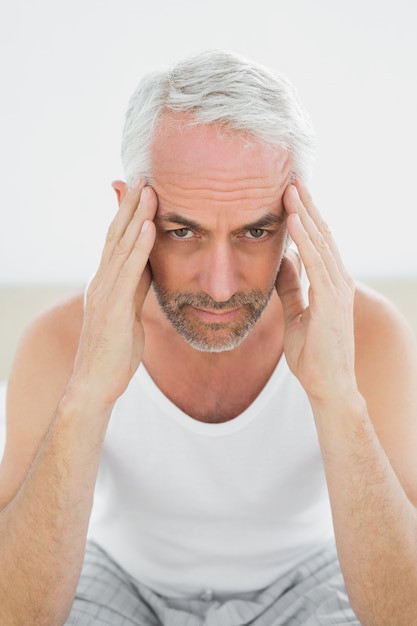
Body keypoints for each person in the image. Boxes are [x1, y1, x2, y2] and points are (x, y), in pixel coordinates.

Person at [0, 49, 416, 626]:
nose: (220, 288)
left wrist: (336, 393)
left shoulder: (368, 333)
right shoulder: (57, 340)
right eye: (182, 231)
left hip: (310, 577)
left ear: (298, 222)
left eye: (255, 230)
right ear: (129, 216)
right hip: (120, 579)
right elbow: (18, 614)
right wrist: (89, 389)